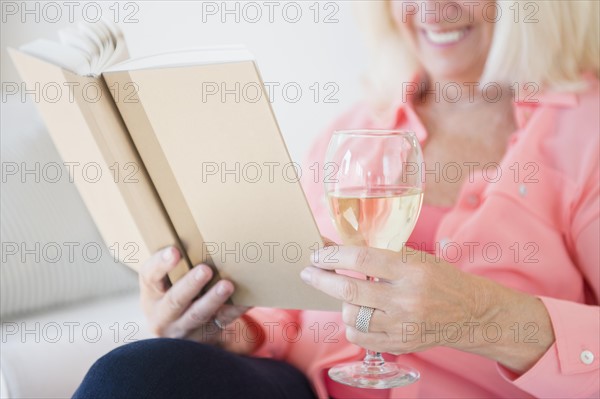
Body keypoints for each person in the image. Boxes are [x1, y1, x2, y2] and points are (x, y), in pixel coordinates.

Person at [73, 1, 599, 398]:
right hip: (306, 388)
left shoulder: (585, 132)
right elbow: (289, 314)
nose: (433, 9)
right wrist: (225, 332)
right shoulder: (354, 129)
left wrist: (477, 318)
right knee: (137, 371)